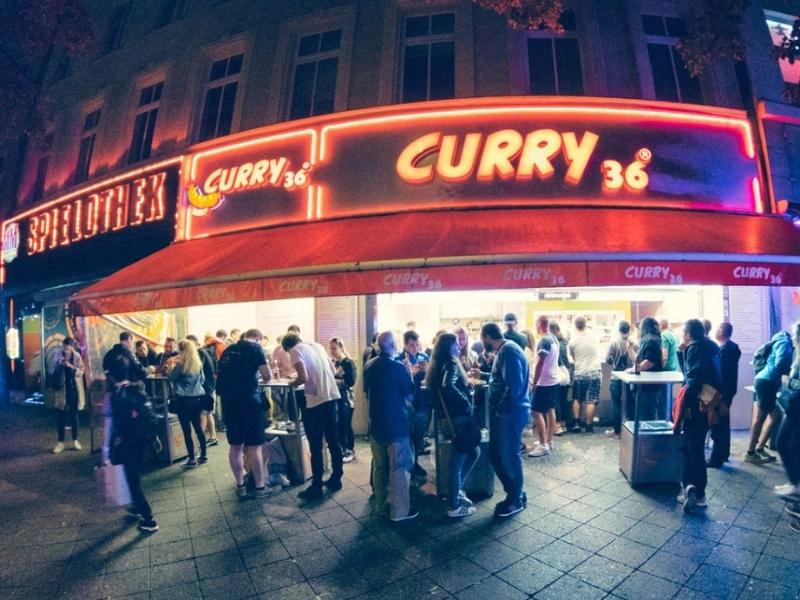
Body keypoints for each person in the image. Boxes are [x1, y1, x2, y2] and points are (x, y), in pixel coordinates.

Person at [472, 322, 529, 517]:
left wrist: (500, 411)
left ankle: (515, 499)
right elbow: (501, 380)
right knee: (496, 456)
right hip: (507, 413)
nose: (482, 342)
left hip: (509, 414)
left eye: (482, 338)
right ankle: (516, 493)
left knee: (509, 457)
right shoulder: (506, 351)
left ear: (488, 336)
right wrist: (485, 375)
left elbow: (512, 386)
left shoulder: (508, 352)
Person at [217, 329, 278, 498]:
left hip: (228, 403)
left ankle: (240, 486)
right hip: (249, 402)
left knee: (235, 446)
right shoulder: (255, 348)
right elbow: (267, 376)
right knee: (255, 446)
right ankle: (260, 487)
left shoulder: (228, 350)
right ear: (258, 338)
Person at [364, 331, 418, 521]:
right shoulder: (398, 367)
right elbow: (410, 395)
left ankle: (381, 505)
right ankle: (399, 511)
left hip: (376, 425)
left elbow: (366, 392)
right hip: (396, 425)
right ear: (394, 345)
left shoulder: (369, 365)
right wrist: (410, 374)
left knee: (379, 468)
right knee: (399, 468)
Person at [283, 332, 343, 500]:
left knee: (315, 446)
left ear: (287, 347)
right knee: (333, 441)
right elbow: (332, 370)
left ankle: (316, 486)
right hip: (332, 397)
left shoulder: (295, 351)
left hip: (316, 403)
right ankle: (336, 478)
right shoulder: (317, 345)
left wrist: (290, 384)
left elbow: (303, 377)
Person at [427, 333, 479, 518]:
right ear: (448, 347)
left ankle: (455, 491)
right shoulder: (451, 364)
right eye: (456, 344)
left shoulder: (437, 365)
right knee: (459, 459)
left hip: (446, 418)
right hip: (458, 418)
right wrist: (465, 400)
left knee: (471, 453)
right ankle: (454, 505)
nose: (459, 346)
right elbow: (447, 386)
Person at [108, 352, 159, 533]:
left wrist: (109, 450)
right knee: (134, 475)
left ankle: (149, 519)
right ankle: (138, 507)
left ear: (111, 374)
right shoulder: (136, 388)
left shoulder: (117, 395)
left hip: (129, 441)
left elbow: (117, 424)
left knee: (132, 480)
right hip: (143, 438)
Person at [677, 319, 722, 514]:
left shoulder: (695, 349)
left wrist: (685, 403)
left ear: (688, 334)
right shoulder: (710, 347)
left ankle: (695, 491)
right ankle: (694, 489)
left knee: (691, 448)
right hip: (709, 404)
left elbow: (692, 380)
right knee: (695, 446)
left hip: (697, 407)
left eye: (683, 333)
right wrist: (681, 353)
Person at [747, 329, 794, 464]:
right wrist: (792, 370)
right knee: (761, 417)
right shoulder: (785, 342)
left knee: (776, 416)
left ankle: (760, 448)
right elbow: (780, 364)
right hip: (767, 381)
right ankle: (750, 452)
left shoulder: (780, 340)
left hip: (766, 381)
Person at [773, 323, 800, 527]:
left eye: (794, 334)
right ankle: (795, 484)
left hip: (796, 408)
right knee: (787, 444)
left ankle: (796, 486)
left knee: (786, 444)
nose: (792, 337)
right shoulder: (796, 355)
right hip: (793, 407)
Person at [397, 330, 430, 483]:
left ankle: (415, 463)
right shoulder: (399, 360)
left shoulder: (424, 357)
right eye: (411, 345)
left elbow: (430, 378)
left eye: (417, 345)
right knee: (407, 437)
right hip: (407, 404)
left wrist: (427, 370)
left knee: (419, 437)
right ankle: (407, 466)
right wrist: (409, 371)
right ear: (405, 344)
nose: (415, 348)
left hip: (422, 402)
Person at [169, 339, 207, 468]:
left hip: (184, 399)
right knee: (198, 428)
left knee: (186, 430)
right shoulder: (198, 363)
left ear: (182, 350)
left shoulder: (181, 364)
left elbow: (171, 378)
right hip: (197, 398)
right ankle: (203, 455)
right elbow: (202, 380)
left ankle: (191, 459)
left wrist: (170, 366)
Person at [707, 323, 741, 467]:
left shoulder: (724, 350)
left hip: (721, 392)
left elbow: (720, 373)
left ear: (721, 332)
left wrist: (715, 393)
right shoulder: (733, 348)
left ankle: (716, 458)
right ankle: (724, 453)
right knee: (724, 421)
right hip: (730, 390)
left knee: (717, 424)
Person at [528, 316, 560, 457]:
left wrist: (535, 382)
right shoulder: (554, 339)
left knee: (536, 412)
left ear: (539, 325)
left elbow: (540, 363)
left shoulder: (544, 341)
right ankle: (549, 440)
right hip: (553, 380)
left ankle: (543, 444)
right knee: (549, 409)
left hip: (544, 382)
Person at [604, 321, 638, 439]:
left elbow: (607, 360)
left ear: (619, 329)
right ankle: (632, 430)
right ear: (629, 329)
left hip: (616, 377)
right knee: (631, 403)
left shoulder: (614, 343)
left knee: (616, 404)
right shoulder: (635, 343)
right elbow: (638, 360)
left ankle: (617, 432)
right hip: (630, 378)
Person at [568, 317, 602, 434]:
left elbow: (573, 358)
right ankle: (588, 427)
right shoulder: (594, 337)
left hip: (579, 373)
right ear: (585, 324)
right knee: (591, 401)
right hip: (593, 373)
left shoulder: (572, 341)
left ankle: (576, 424)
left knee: (577, 398)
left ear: (575, 325)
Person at [53, 337, 86, 453]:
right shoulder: (58, 355)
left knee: (74, 414)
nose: (66, 350)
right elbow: (54, 366)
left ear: (72, 347)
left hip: (74, 389)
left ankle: (75, 440)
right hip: (62, 390)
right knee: (61, 415)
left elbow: (82, 370)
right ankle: (60, 442)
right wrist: (61, 363)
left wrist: (72, 367)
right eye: (64, 347)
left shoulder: (76, 356)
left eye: (68, 347)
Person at [628, 317, 663, 420]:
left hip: (648, 385)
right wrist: (629, 348)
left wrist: (633, 369)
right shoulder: (650, 339)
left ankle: (647, 435)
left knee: (646, 414)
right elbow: (638, 360)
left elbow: (650, 361)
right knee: (646, 412)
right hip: (646, 384)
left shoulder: (650, 340)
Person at [329, 337, 357, 463]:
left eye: (334, 348)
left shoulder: (348, 362)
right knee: (338, 424)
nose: (332, 351)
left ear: (340, 348)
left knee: (346, 424)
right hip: (335, 397)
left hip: (346, 398)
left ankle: (349, 449)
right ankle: (342, 448)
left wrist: (335, 382)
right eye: (330, 349)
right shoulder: (332, 362)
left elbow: (351, 381)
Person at [189, 334, 219, 445]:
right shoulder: (206, 351)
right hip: (210, 386)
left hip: (205, 387)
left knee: (203, 414)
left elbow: (197, 370)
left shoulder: (199, 353)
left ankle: (199, 440)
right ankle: (213, 436)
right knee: (209, 412)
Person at [549, 322, 571, 437]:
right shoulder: (565, 341)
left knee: (556, 401)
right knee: (563, 400)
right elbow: (568, 360)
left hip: (556, 374)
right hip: (565, 375)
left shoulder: (552, 342)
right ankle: (564, 423)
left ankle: (557, 426)